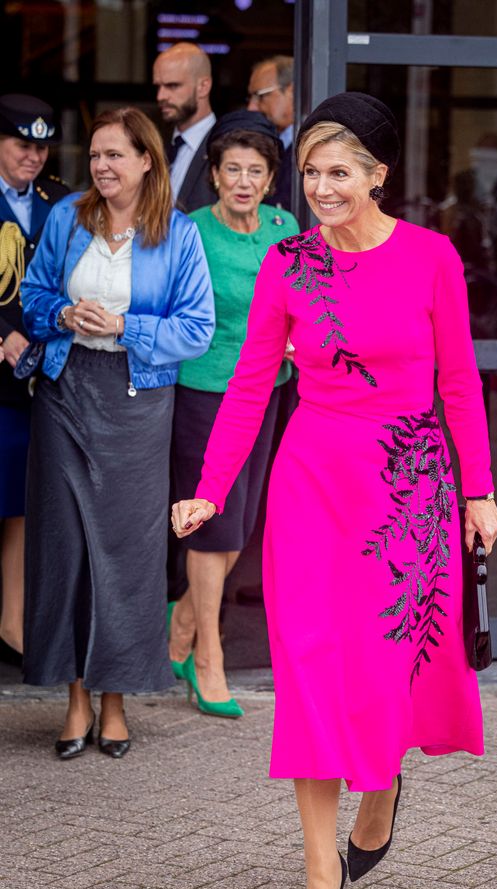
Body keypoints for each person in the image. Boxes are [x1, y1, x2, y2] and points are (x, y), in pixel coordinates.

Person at [172, 91, 497, 889]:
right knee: (314, 679)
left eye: (339, 173)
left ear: (378, 176)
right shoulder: (288, 263)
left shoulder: (432, 259)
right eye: (311, 171)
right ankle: (321, 873)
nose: (320, 188)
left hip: (408, 490)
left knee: (386, 674)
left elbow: (460, 385)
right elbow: (249, 384)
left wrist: (479, 493)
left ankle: (383, 786)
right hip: (313, 486)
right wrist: (212, 485)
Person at [21, 107, 214, 760]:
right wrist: (61, 312)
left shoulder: (179, 234)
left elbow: (196, 329)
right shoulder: (68, 218)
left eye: (115, 156)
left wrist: (125, 327)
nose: (101, 167)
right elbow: (34, 295)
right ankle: (76, 699)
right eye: (96, 156)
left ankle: (116, 700)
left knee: (128, 555)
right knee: (66, 549)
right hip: (65, 393)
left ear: (146, 162)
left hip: (137, 406)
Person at [169, 110, 298, 719]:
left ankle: (181, 620)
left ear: (270, 180)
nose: (243, 181)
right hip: (206, 389)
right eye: (232, 170)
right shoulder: (189, 229)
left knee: (241, 523)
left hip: (270, 389)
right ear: (214, 175)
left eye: (256, 171)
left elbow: (308, 301)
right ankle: (208, 657)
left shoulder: (286, 227)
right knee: (211, 520)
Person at [0, 94, 69, 667]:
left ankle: (14, 623)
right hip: (0, 366)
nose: (33, 156)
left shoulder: (58, 199)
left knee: (23, 500)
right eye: (22, 143)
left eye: (41, 146)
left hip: (39, 373)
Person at [154, 42, 216, 213]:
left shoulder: (225, 146)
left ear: (203, 86)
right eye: (158, 86)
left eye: (172, 86)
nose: (161, 96)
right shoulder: (157, 146)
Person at [247, 55, 294, 210]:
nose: (252, 107)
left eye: (260, 96)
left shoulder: (314, 144)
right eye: (251, 98)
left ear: (291, 91)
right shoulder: (270, 141)